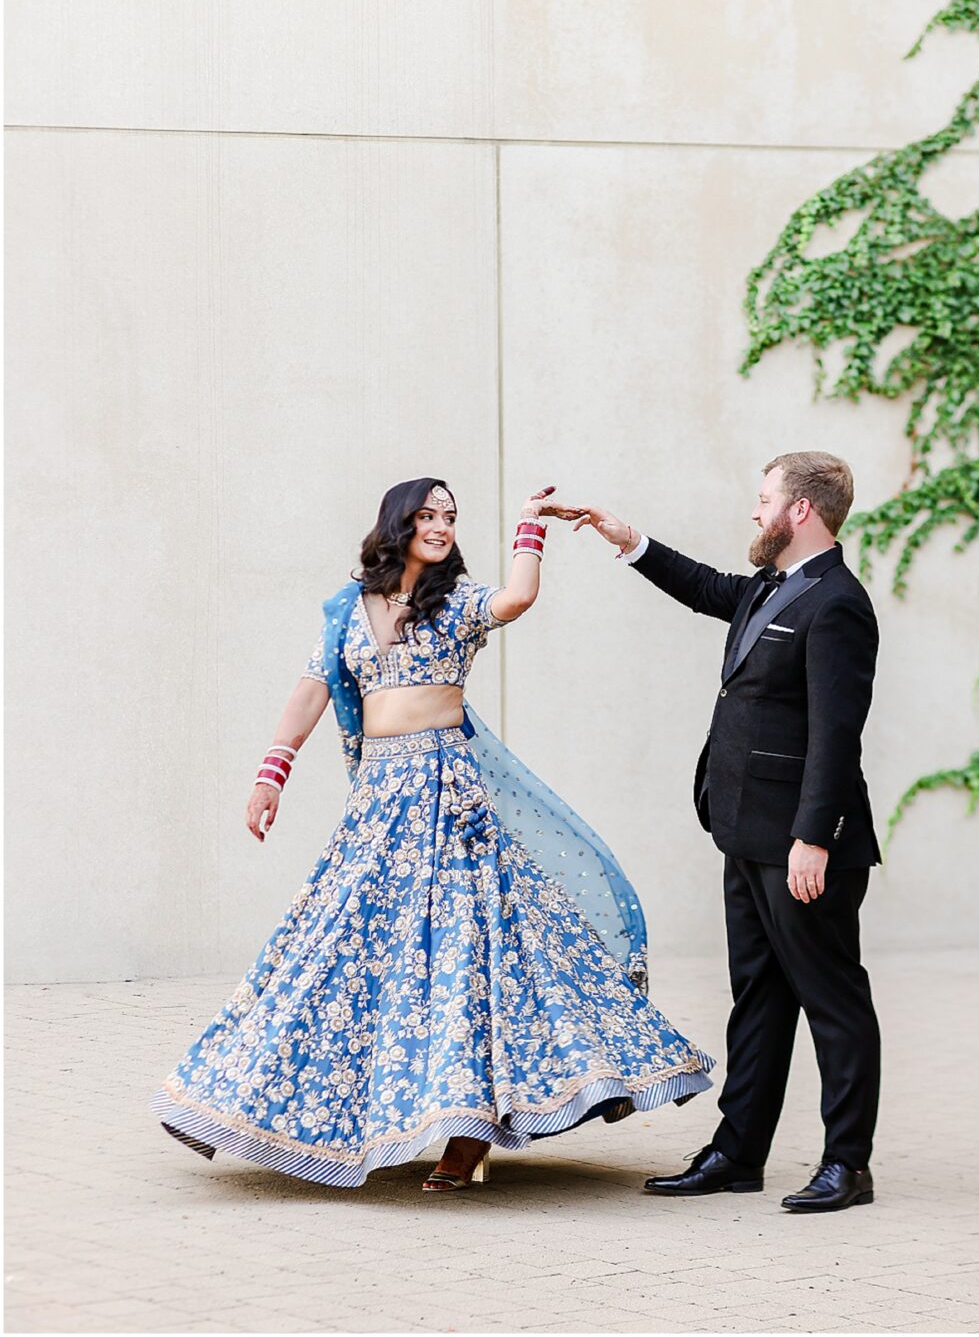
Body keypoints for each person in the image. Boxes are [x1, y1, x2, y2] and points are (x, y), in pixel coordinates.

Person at [152, 477, 714, 1192]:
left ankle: (464, 1131)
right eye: (428, 514)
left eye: (450, 516)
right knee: (346, 945)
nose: (442, 525)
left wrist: (528, 527)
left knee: (461, 951)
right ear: (398, 522)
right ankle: (262, 1100)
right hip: (379, 798)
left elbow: (517, 599)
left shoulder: (459, 600)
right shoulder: (345, 608)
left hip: (448, 796)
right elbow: (313, 687)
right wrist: (272, 773)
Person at [572, 451, 882, 1213]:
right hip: (744, 833)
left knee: (831, 1000)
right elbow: (707, 588)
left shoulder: (836, 602)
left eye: (763, 497)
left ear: (799, 510)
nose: (753, 510)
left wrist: (813, 835)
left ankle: (848, 1164)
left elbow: (837, 733)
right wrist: (628, 539)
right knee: (758, 998)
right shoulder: (773, 590)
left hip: (802, 846)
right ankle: (737, 1154)